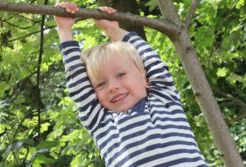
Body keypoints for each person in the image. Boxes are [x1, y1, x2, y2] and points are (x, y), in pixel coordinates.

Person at [55, 2, 208, 167]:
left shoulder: (164, 99)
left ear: (144, 76)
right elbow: (77, 81)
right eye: (100, 84)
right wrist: (64, 30)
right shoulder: (101, 121)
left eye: (121, 74)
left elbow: (151, 58)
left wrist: (114, 30)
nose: (112, 87)